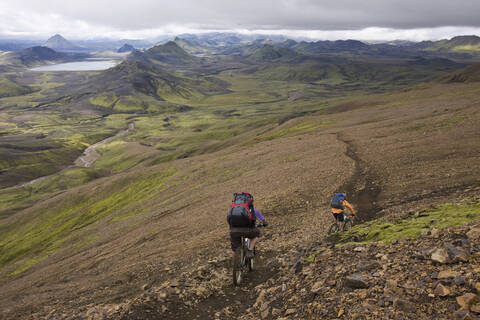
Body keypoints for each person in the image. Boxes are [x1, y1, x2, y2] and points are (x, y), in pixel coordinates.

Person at [227, 192, 267, 258]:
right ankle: (250, 251)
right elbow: (263, 220)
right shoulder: (252, 210)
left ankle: (234, 262)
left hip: (234, 231)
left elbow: (228, 219)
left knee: (235, 248)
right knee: (256, 234)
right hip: (247, 230)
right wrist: (265, 224)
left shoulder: (233, 209)